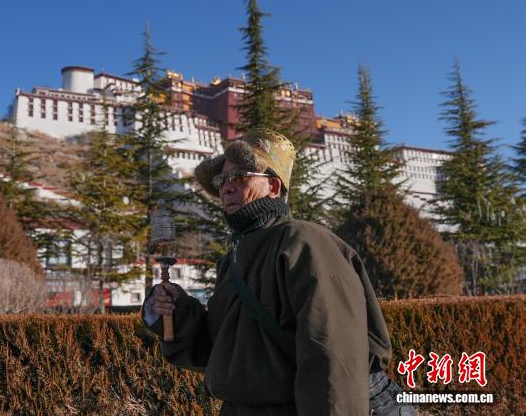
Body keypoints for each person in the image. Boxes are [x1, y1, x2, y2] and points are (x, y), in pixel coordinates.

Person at [142, 128, 416, 415]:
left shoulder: (306, 244)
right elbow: (225, 353)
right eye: (221, 180)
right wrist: (176, 314)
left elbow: (333, 361)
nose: (226, 187)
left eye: (239, 176)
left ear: (273, 186)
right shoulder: (231, 259)